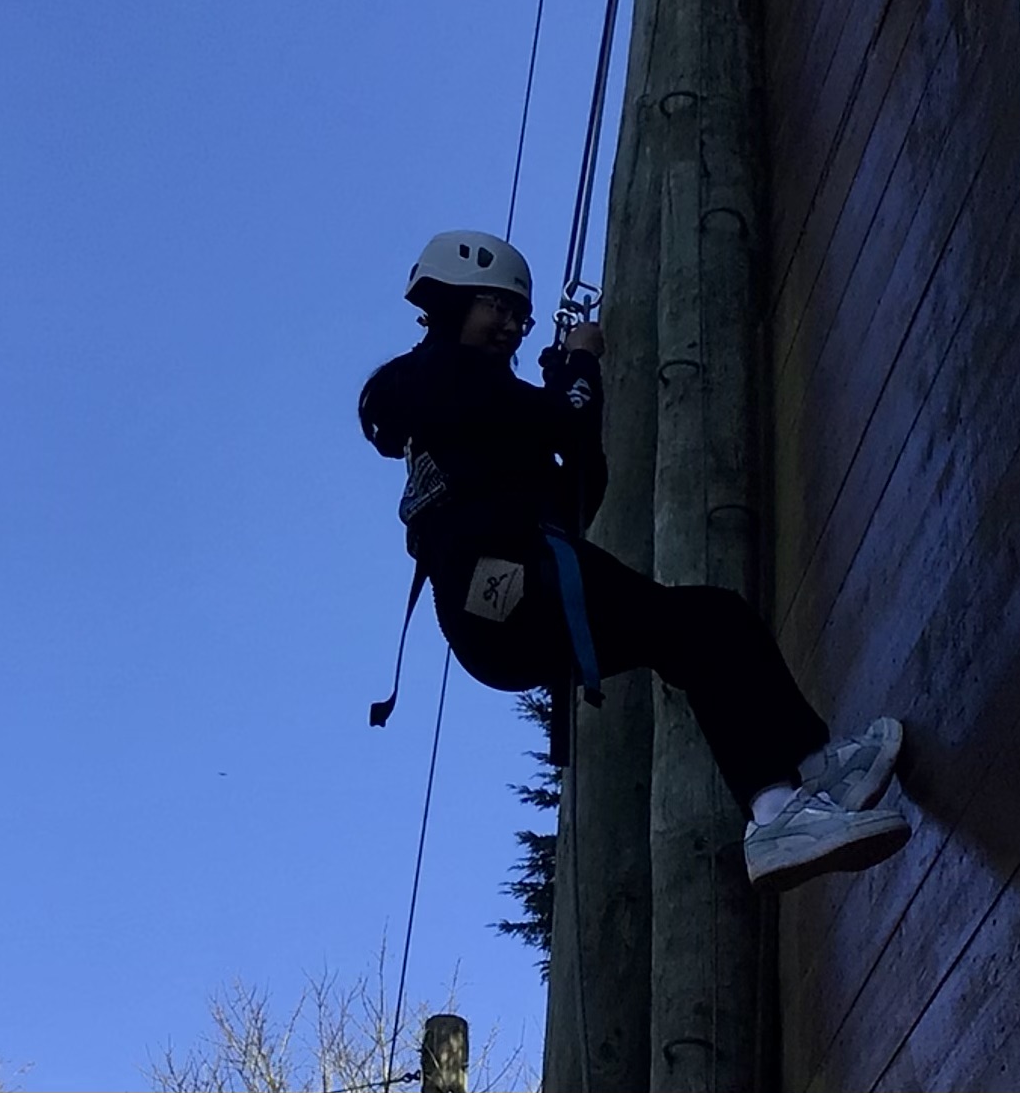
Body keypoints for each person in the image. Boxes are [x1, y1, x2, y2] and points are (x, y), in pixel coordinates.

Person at [357, 229, 910, 892]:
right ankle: (775, 811)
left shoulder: (461, 408)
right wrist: (579, 364)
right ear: (451, 302)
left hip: (499, 602)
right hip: (512, 584)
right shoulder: (444, 374)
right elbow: (563, 421)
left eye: (517, 315)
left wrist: (567, 385)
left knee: (710, 621)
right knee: (701, 629)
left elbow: (577, 480)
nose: (508, 324)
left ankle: (813, 767)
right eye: (494, 306)